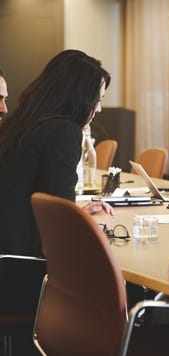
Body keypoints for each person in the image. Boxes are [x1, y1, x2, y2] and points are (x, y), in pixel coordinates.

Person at [0, 50, 114, 257]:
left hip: (7, 250)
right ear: (79, 96)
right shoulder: (64, 132)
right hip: (22, 264)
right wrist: (87, 228)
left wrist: (75, 213)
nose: (98, 109)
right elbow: (61, 224)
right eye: (97, 99)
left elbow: (24, 196)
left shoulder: (18, 126)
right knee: (131, 287)